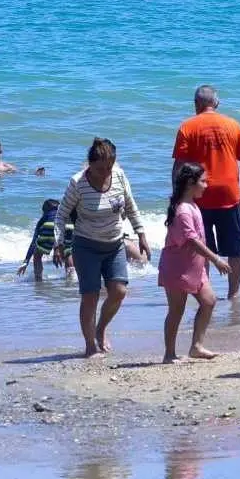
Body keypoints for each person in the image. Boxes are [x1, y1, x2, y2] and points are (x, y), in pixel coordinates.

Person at [57, 137, 149, 358]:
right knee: (90, 296)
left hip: (115, 243)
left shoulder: (118, 175)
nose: (105, 172)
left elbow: (130, 205)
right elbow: (61, 214)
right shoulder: (77, 182)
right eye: (100, 168)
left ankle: (100, 329)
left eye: (109, 167)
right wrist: (59, 244)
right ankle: (90, 346)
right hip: (85, 245)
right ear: (90, 164)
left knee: (119, 291)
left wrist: (141, 234)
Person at [172, 85, 240, 301]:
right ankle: (234, 294)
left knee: (202, 249)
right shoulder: (233, 125)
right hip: (229, 196)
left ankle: (205, 292)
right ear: (216, 103)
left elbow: (179, 167)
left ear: (196, 104)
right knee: (236, 249)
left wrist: (178, 198)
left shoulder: (187, 127)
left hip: (199, 198)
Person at [160, 161, 231, 363]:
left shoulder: (193, 205)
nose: (206, 185)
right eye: (203, 181)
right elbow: (191, 240)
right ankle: (169, 353)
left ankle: (196, 346)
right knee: (176, 310)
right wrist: (216, 259)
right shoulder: (183, 210)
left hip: (195, 267)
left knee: (209, 301)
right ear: (190, 183)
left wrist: (206, 263)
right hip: (177, 267)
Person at [18, 198, 66, 280]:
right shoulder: (64, 215)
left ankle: (38, 278)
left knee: (37, 255)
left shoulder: (45, 217)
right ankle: (72, 275)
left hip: (49, 226)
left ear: (45, 210)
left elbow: (34, 240)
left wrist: (26, 261)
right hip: (66, 226)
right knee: (68, 254)